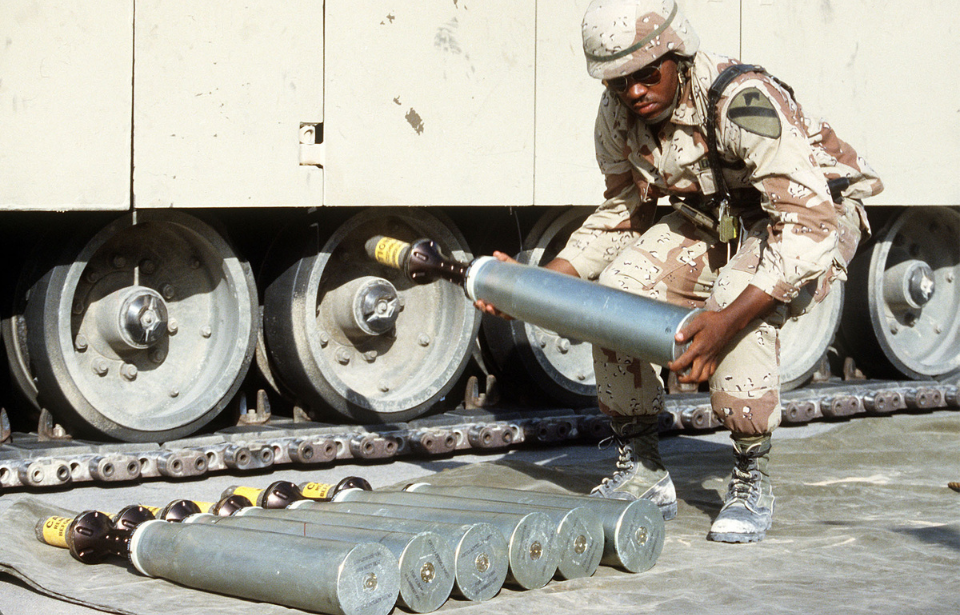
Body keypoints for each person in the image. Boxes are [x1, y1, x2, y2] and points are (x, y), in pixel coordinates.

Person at [477, 0, 882, 543]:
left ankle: (750, 472)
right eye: (619, 81)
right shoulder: (619, 113)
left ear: (678, 54)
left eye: (647, 74)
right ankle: (642, 468)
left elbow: (807, 221)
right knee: (619, 293)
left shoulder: (740, 100)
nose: (634, 91)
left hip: (812, 215)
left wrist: (723, 323)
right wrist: (544, 282)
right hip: (721, 216)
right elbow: (624, 211)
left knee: (738, 300)